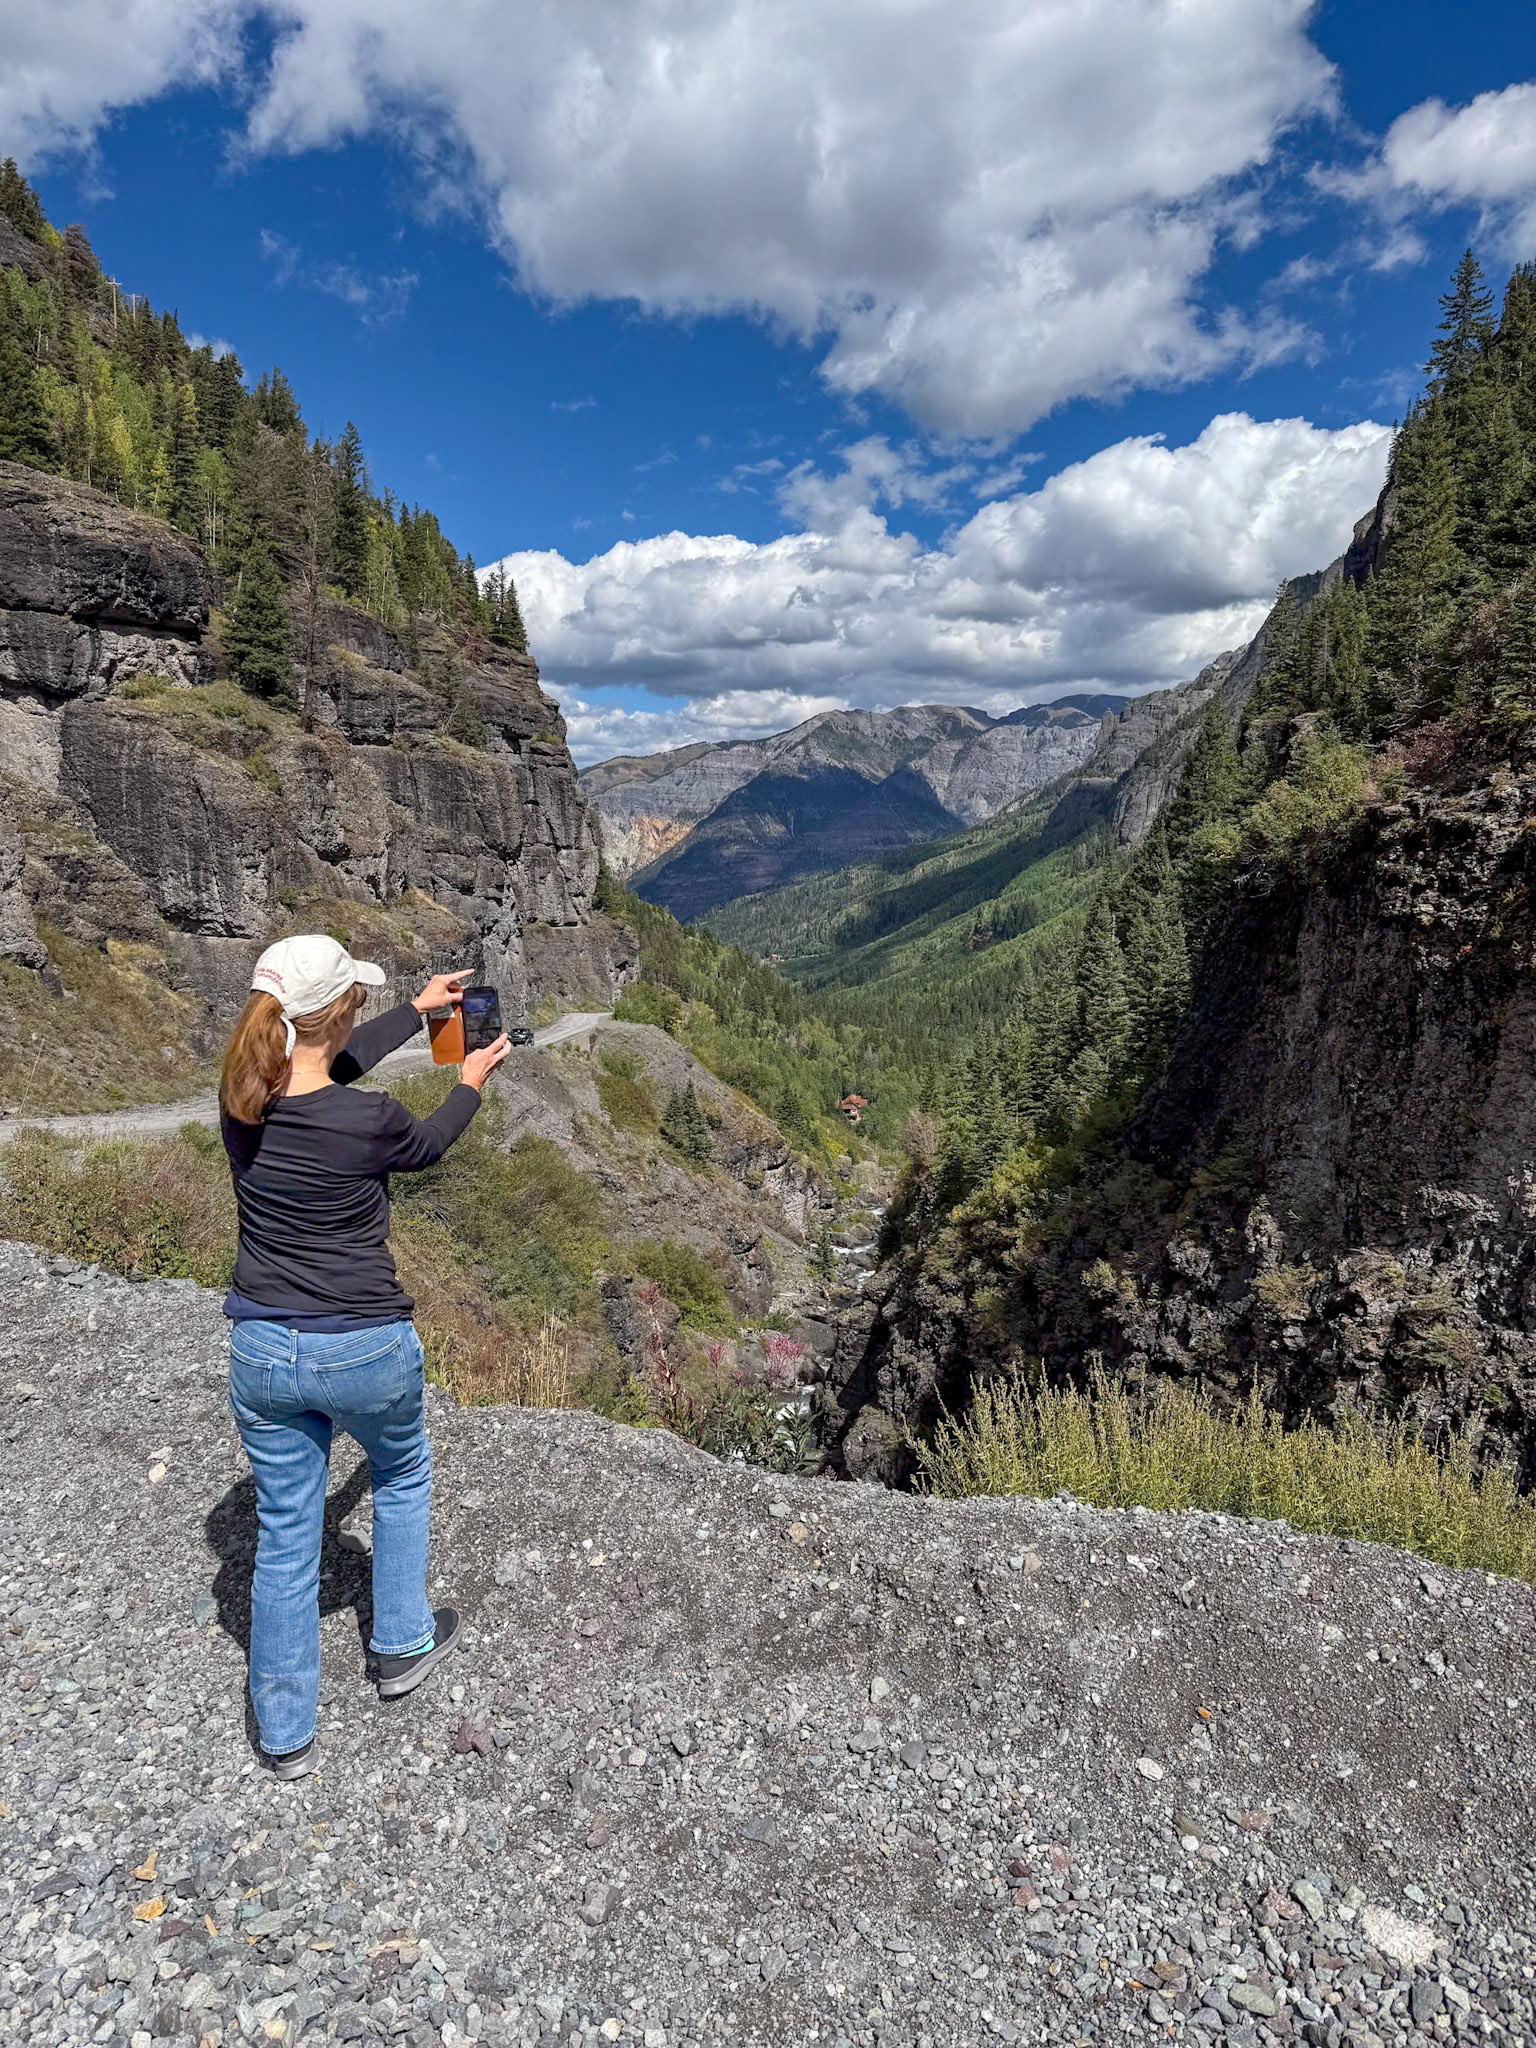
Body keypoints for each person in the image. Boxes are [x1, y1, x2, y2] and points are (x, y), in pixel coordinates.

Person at [218, 932, 510, 1779]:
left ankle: (284, 1735)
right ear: (340, 1012)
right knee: (402, 1473)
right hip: (364, 1346)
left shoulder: (240, 1103)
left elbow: (320, 1078)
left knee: (284, 1535)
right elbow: (425, 1144)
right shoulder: (371, 1120)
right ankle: (400, 1644)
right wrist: (467, 1080)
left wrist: (412, 1018)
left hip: (264, 1350)